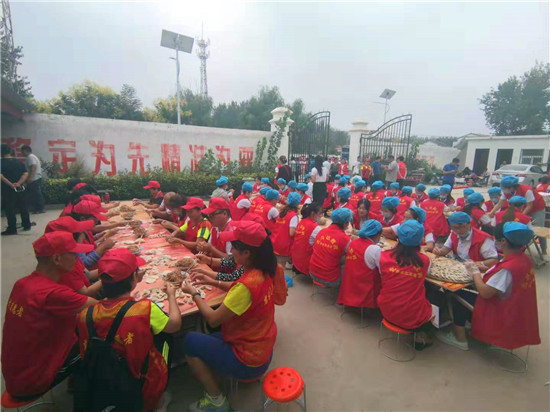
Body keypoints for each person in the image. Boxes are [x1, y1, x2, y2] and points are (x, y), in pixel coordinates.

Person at [182, 221, 279, 411]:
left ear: (247, 253)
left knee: (189, 341)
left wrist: (193, 293)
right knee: (209, 337)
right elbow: (236, 287)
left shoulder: (246, 285)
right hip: (263, 348)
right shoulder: (263, 269)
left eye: (233, 248)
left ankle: (216, 399)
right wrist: (210, 279)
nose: (231, 251)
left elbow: (213, 319)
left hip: (248, 360)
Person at [76, 249, 180, 411]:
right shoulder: (144, 309)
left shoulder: (84, 315)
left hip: (101, 378)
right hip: (140, 379)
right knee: (166, 337)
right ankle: (159, 400)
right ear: (133, 279)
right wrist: (171, 296)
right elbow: (174, 325)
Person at [1, 231, 96, 398]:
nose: (77, 259)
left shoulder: (22, 284)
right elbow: (102, 308)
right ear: (57, 259)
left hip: (16, 374)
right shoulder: (53, 294)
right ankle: (89, 399)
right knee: (101, 340)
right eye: (73, 254)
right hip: (33, 380)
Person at [437, 222, 540, 351]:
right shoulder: (523, 259)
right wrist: (485, 269)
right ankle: (470, 322)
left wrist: (475, 272)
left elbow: (485, 293)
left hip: (499, 308)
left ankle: (460, 338)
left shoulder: (507, 268)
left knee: (457, 293)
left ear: (503, 241)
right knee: (468, 291)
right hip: (514, 305)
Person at [376, 220, 433, 349]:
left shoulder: (384, 256)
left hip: (386, 307)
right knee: (434, 296)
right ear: (420, 239)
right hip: (411, 315)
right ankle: (422, 336)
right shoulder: (424, 261)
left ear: (398, 236)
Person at [491, 175, 547, 258]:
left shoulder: (526, 190)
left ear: (512, 187)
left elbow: (529, 206)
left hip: (536, 208)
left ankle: (544, 252)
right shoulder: (506, 192)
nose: (503, 189)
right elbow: (500, 203)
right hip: (520, 208)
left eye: (504, 187)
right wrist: (491, 212)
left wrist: (521, 216)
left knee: (540, 230)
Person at [338, 220, 383, 309]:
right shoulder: (374, 249)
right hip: (364, 293)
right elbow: (383, 271)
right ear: (377, 235)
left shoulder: (354, 242)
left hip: (350, 288)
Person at [434, 212, 498, 271]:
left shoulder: (483, 238)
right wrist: (438, 251)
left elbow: (494, 259)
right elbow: (444, 250)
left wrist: (479, 263)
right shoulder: (454, 234)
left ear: (469, 224)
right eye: (455, 228)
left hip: (475, 270)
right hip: (459, 267)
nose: (458, 230)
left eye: (462, 227)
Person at [309, 208, 352, 287]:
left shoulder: (321, 231)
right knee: (350, 261)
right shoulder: (345, 239)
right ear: (346, 224)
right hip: (330, 279)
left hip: (312, 272)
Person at [1, 143, 31, 235]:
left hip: (7, 189)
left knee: (10, 209)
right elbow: (25, 173)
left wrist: (11, 185)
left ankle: (12, 228)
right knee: (23, 207)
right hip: (20, 188)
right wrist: (18, 183)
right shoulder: (18, 162)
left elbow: (1, 176)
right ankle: (26, 225)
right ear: (10, 152)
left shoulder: (1, 163)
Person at [291, 203, 322, 275]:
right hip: (305, 261)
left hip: (296, 257)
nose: (321, 216)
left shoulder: (302, 221)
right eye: (319, 213)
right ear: (313, 213)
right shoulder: (315, 227)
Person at [271, 192, 301, 267]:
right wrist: (300, 232)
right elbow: (291, 233)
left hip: (275, 241)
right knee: (279, 268)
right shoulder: (293, 215)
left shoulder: (282, 212)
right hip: (284, 246)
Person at [21, 145, 45, 214]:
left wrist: (30, 177)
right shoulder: (32, 157)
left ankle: (39, 209)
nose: (22, 153)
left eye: (22, 151)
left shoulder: (30, 157)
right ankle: (38, 208)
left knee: (36, 194)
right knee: (35, 194)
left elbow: (33, 166)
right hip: (36, 178)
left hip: (34, 179)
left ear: (25, 151)